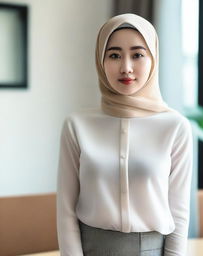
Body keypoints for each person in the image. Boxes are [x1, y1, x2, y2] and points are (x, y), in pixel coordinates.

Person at [57, 13, 193, 256]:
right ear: (101, 60)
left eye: (138, 54)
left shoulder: (175, 126)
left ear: (153, 59)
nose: (126, 67)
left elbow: (179, 212)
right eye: (114, 55)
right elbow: (65, 209)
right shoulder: (76, 125)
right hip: (91, 249)